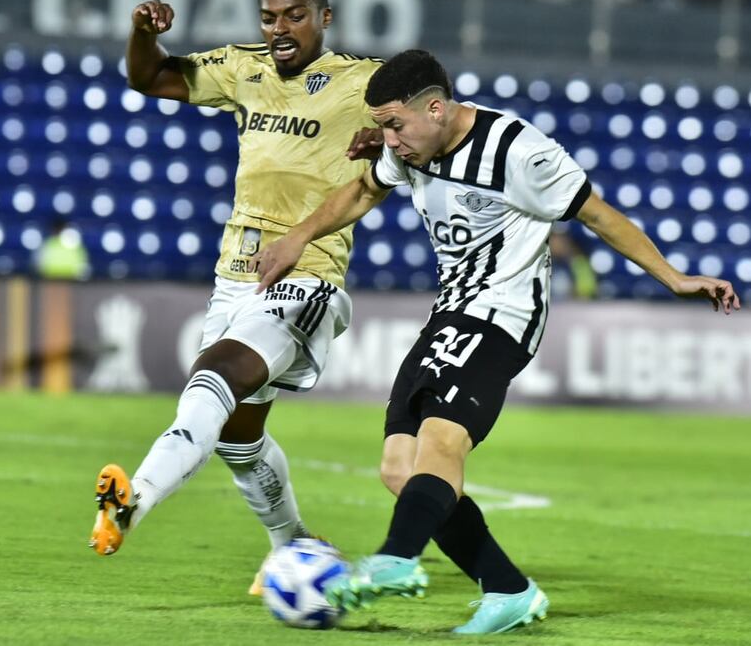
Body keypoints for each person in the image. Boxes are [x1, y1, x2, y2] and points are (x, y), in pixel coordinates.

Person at [255, 49, 741, 634]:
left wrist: (675, 278)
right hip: (450, 311)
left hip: (502, 315)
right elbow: (362, 192)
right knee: (398, 467)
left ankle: (396, 559)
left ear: (435, 109)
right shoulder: (412, 146)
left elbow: (598, 215)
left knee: (440, 444)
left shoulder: (518, 151)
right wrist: (298, 238)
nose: (387, 139)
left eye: (394, 125)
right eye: (382, 126)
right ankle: (509, 590)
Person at [89, 0, 384, 596]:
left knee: (214, 378)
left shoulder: (363, 82)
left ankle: (131, 500)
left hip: (307, 277)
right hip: (235, 278)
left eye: (296, 16)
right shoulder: (242, 68)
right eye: (270, 15)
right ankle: (297, 548)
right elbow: (149, 77)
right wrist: (144, 33)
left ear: (325, 17)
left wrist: (387, 136)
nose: (280, 28)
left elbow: (433, 104)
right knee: (238, 438)